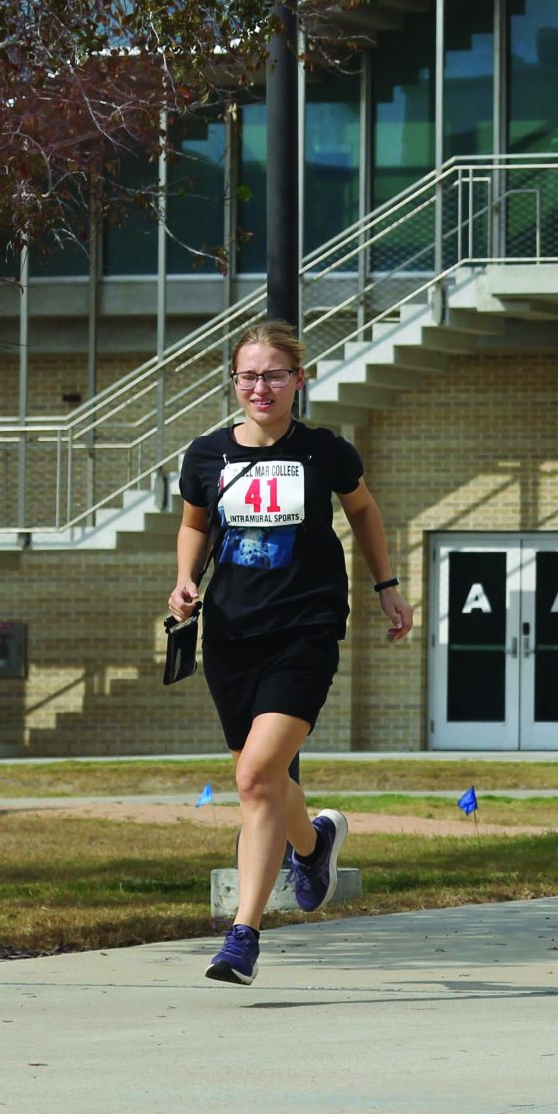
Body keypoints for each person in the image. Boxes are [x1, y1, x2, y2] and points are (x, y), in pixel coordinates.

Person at [168, 321, 414, 986]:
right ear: (234, 382)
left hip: (305, 629)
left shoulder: (323, 452)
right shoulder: (206, 454)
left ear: (298, 380)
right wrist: (186, 578)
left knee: (254, 777)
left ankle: (242, 936)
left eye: (274, 374)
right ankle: (313, 845)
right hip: (230, 634)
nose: (260, 387)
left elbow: (363, 511)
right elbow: (194, 524)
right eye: (248, 375)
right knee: (264, 781)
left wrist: (386, 584)